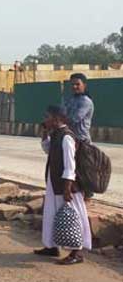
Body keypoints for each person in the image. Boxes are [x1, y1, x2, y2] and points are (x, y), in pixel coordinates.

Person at [35, 105, 92, 265]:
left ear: (57, 119)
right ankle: (51, 246)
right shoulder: (56, 134)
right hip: (55, 183)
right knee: (52, 215)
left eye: (48, 117)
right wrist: (45, 133)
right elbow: (47, 150)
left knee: (74, 218)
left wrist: (67, 188)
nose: (45, 120)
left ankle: (77, 253)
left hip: (67, 186)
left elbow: (70, 165)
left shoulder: (66, 137)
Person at [65, 73, 94, 144]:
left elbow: (74, 119)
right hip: (70, 138)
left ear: (84, 85)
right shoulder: (70, 99)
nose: (74, 86)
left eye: (78, 84)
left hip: (82, 141)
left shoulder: (85, 101)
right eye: (72, 84)